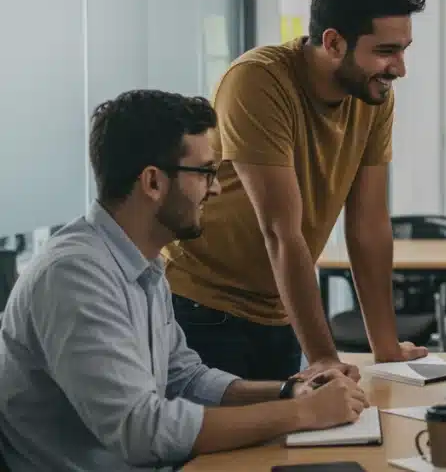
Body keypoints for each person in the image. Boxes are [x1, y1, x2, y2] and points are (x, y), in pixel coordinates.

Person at [0, 90, 370, 471]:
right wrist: (302, 413)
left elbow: (184, 378)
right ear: (153, 183)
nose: (216, 187)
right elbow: (140, 431)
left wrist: (288, 390)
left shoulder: (141, 263)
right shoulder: (74, 277)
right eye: (206, 172)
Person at [163, 0, 428, 382]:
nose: (398, 68)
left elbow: (368, 226)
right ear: (334, 42)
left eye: (402, 50)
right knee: (232, 445)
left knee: (292, 443)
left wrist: (385, 346)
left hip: (279, 307)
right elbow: (280, 231)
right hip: (203, 307)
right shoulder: (258, 80)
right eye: (385, 51)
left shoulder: (373, 94)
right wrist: (323, 358)